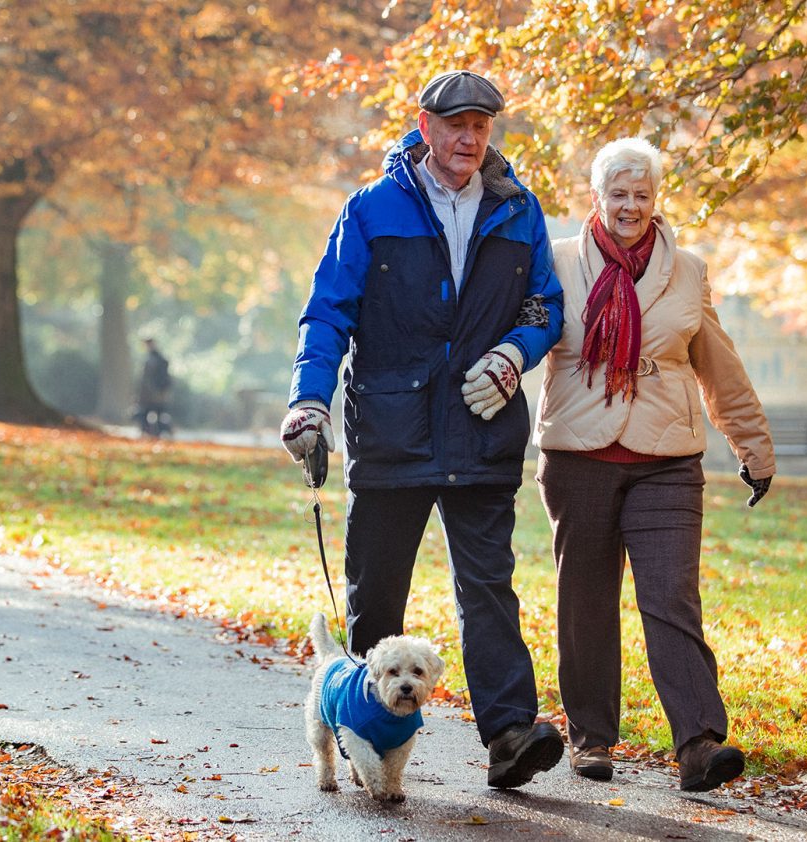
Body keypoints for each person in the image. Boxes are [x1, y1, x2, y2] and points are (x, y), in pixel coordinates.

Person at [280, 70, 566, 789]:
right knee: (376, 594)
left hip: (481, 427)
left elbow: (544, 307)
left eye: (482, 125)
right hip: (391, 428)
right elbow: (327, 312)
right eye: (457, 124)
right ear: (426, 125)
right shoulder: (373, 209)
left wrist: (512, 356)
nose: (470, 138)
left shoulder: (517, 209)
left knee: (489, 589)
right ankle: (363, 726)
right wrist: (308, 402)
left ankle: (508, 735)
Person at [532, 138, 775, 790]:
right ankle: (592, 741)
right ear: (596, 197)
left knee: (671, 598)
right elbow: (519, 339)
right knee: (585, 601)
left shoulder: (688, 270)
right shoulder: (554, 263)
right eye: (618, 193)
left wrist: (753, 447)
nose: (629, 206)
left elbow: (719, 369)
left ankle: (698, 743)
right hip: (578, 457)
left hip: (667, 460)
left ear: (656, 199)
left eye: (642, 194)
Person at [137, 337, 172, 437]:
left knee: (148, 413)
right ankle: (155, 433)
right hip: (157, 393)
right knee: (157, 413)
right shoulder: (159, 358)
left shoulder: (153, 360)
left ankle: (151, 433)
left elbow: (147, 379)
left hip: (152, 394)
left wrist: (151, 391)